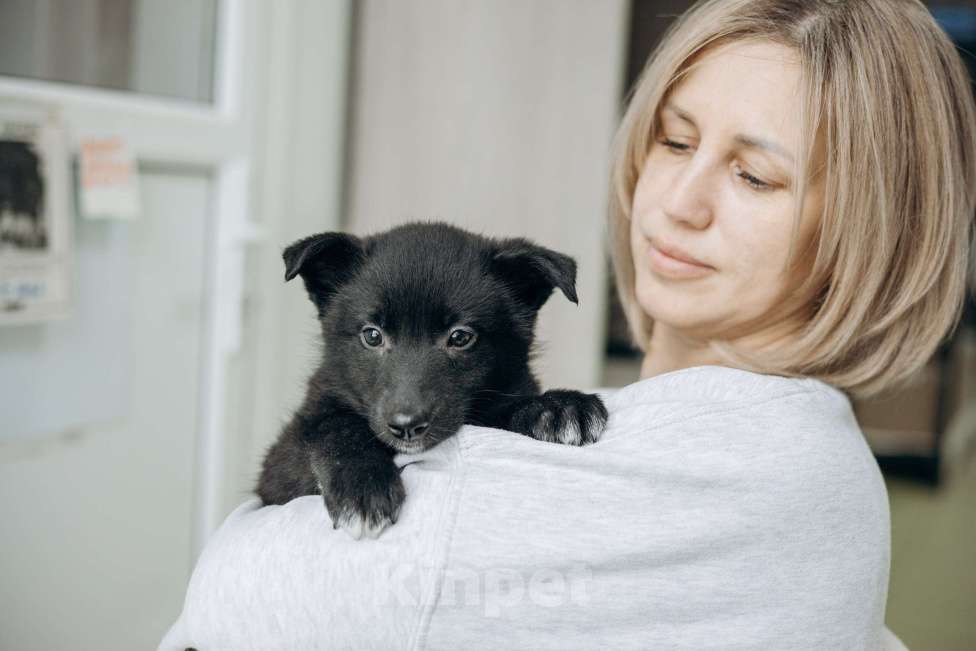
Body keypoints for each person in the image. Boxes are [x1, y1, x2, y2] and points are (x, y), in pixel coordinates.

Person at [160, 1, 975, 649]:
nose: (676, 202)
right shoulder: (827, 463)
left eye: (755, 175)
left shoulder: (732, 480)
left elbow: (227, 591)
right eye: (675, 138)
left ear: (870, 232)